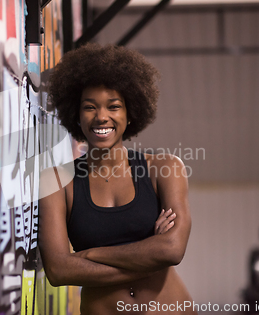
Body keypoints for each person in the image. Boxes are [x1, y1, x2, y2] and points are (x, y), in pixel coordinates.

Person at [39, 43, 196, 314]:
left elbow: (172, 249)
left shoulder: (164, 168)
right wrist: (149, 256)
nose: (101, 117)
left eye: (113, 106)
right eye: (90, 107)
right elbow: (58, 270)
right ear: (76, 114)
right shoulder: (56, 181)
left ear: (129, 112)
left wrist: (89, 255)